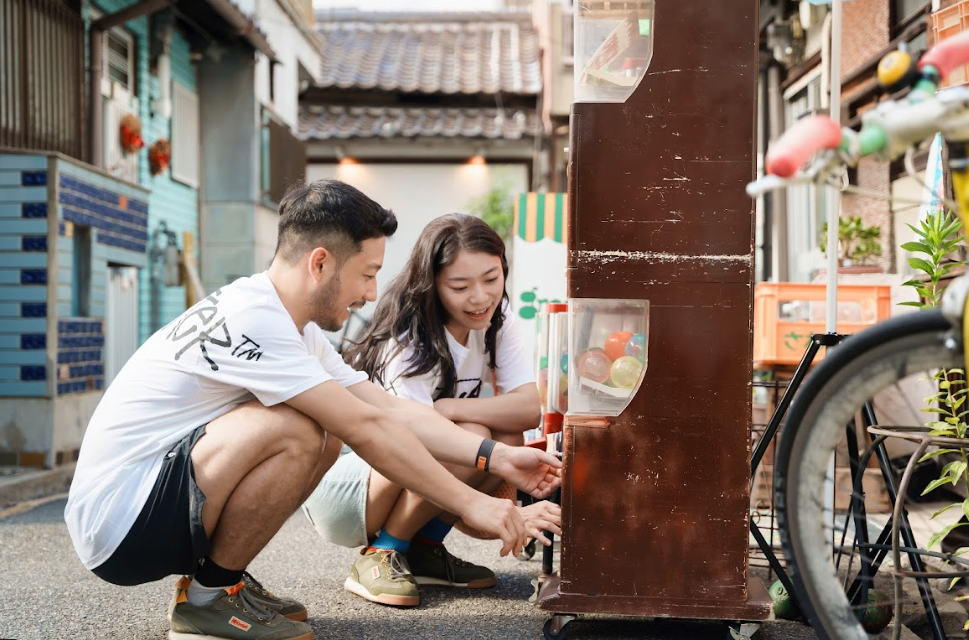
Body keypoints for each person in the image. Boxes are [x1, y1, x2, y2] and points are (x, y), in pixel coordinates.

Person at [64, 181, 562, 640]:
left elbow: (387, 409)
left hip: (150, 502)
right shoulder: (255, 320)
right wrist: (474, 503)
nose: (371, 292)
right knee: (301, 428)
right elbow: (366, 426)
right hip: (121, 522)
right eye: (366, 275)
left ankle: (222, 583)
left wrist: (496, 457)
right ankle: (207, 598)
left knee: (321, 429)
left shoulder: (294, 328)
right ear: (320, 263)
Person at [302, 213, 561, 608]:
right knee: (474, 435)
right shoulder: (410, 334)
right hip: (347, 487)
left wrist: (449, 406)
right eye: (460, 286)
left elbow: (527, 409)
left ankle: (423, 548)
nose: (480, 297)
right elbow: (406, 436)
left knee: (501, 434)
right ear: (433, 285)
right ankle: (384, 552)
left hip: (402, 473)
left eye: (491, 279)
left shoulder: (496, 318)